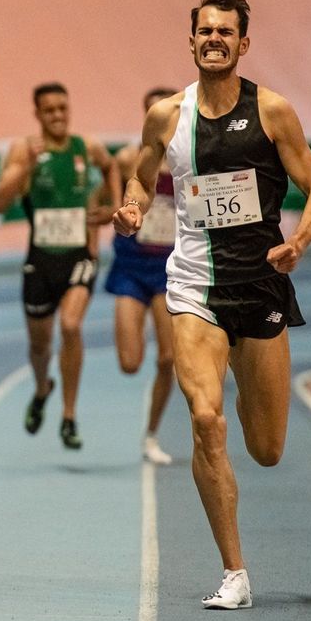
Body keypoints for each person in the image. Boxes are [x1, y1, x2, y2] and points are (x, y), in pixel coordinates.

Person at [114, 0, 311, 610]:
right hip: (192, 286)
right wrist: (132, 205)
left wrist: (298, 245)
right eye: (204, 30)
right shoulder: (165, 114)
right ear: (192, 40)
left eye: (225, 32)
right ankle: (234, 573)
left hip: (258, 286)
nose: (214, 39)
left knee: (265, 449)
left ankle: (247, 385)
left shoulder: (274, 113)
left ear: (242, 43)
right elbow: (141, 171)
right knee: (205, 419)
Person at [0, 83, 119, 451]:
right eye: (50, 110)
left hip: (79, 255)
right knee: (40, 345)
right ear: (38, 114)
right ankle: (42, 386)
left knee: (71, 325)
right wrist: (24, 169)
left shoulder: (86, 147)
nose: (58, 116)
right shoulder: (24, 150)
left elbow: (110, 167)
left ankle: (68, 415)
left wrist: (112, 205)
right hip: (40, 260)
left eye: (63, 108)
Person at [106, 86, 182, 467]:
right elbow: (105, 198)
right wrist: (103, 213)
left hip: (170, 270)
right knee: (130, 363)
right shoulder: (128, 159)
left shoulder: (189, 161)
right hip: (132, 268)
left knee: (168, 358)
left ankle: (151, 434)